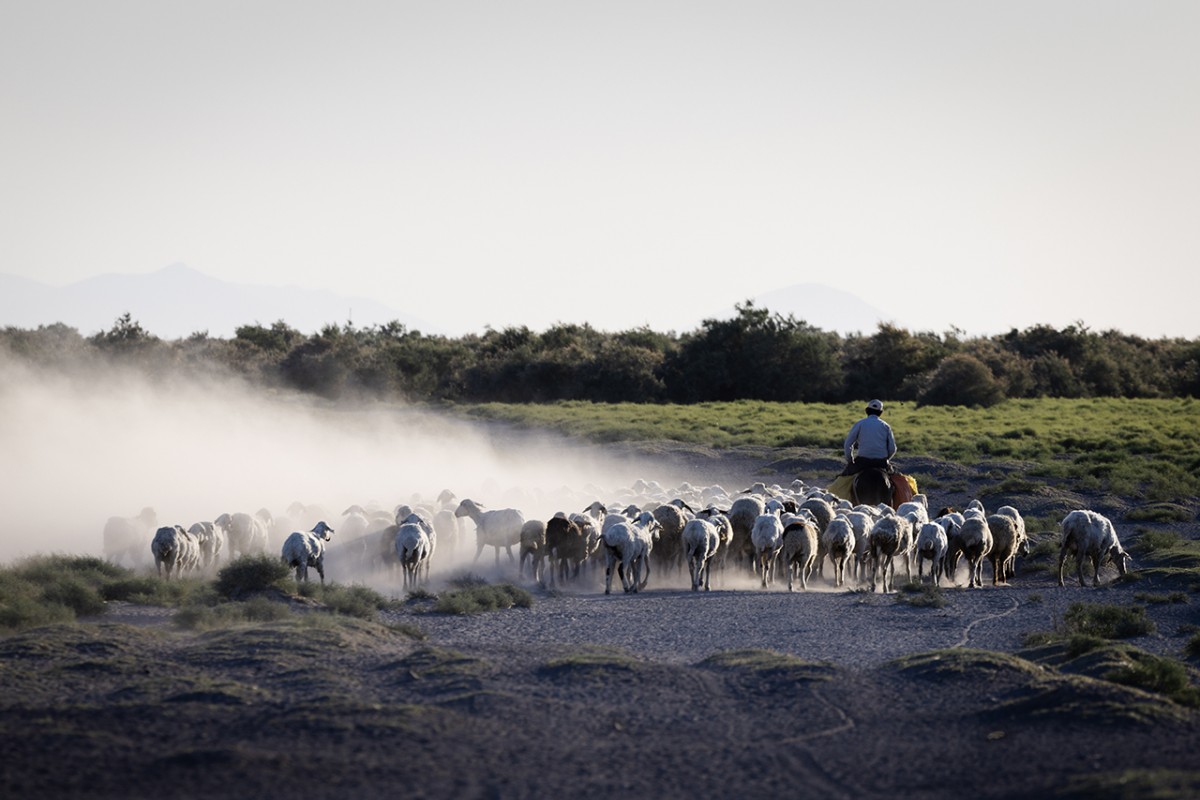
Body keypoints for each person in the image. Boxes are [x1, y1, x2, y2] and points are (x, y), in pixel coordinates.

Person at [840, 399, 896, 476]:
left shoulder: (860, 424)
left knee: (842, 480)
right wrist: (886, 459)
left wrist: (850, 461)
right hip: (881, 462)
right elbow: (892, 448)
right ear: (881, 413)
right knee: (895, 482)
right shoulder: (886, 426)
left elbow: (848, 444)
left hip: (862, 462)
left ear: (866, 410)